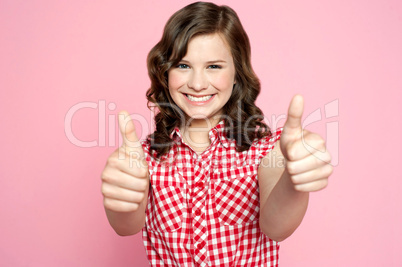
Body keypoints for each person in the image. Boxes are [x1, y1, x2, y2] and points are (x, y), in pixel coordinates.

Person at [101, 2, 333, 266]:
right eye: (182, 65)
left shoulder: (266, 149)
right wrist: (121, 198)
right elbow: (126, 226)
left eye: (214, 66)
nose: (198, 84)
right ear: (165, 72)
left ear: (237, 73)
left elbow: (276, 227)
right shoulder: (145, 158)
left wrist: (293, 181)